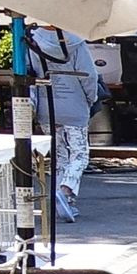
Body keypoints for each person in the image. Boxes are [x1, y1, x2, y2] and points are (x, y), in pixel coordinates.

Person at [33, 23, 105, 219]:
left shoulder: (32, 40)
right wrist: (91, 99)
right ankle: (65, 191)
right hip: (75, 104)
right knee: (80, 154)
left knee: (59, 156)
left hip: (47, 105)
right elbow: (90, 76)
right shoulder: (76, 41)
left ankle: (62, 201)